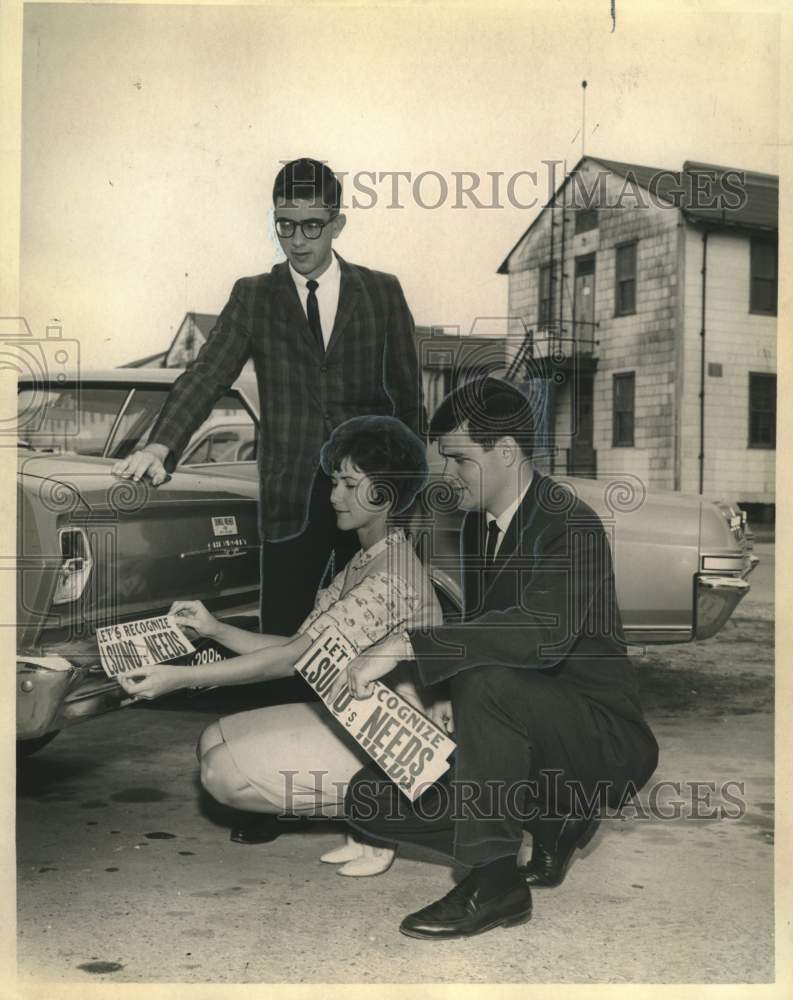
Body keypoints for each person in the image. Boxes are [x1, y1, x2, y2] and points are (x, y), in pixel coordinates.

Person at [334, 377, 659, 938]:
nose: (449, 473)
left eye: (460, 459)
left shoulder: (569, 524)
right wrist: (434, 703)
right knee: (369, 800)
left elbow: (540, 635)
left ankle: (494, 881)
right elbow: (484, 632)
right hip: (524, 729)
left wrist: (408, 646)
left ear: (505, 451)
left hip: (599, 741)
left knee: (483, 680)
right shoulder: (481, 526)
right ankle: (554, 819)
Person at [117, 415, 447, 877]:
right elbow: (298, 645)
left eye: (350, 484)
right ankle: (367, 817)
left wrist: (179, 678)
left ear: (385, 494)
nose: (334, 495)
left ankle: (383, 817)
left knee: (223, 774)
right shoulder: (369, 558)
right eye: (335, 481)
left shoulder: (390, 576)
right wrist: (214, 629)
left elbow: (290, 661)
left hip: (403, 746)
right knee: (213, 740)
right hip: (364, 720)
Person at [113, 157, 425, 639]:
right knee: (281, 640)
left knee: (370, 641)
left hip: (370, 500)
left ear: (337, 224)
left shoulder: (383, 292)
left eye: (312, 226)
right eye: (285, 225)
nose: (297, 240)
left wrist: (404, 499)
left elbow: (408, 406)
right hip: (290, 503)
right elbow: (206, 375)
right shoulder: (254, 297)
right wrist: (161, 445)